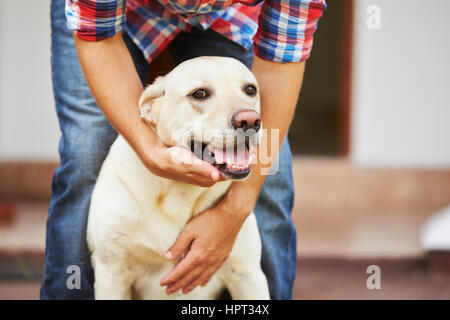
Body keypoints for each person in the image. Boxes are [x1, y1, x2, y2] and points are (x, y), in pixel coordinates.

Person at [40, 0, 325, 299]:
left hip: (235, 19)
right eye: (199, 94)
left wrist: (235, 211)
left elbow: (278, 73)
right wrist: (149, 151)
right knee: (86, 153)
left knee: (272, 175)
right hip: (114, 15)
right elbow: (98, 34)